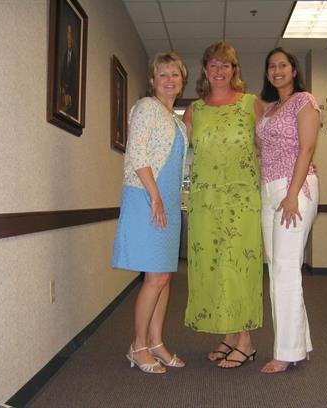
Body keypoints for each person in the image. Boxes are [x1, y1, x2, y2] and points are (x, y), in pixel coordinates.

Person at [183, 41, 264, 369]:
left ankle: (245, 340)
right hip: (205, 201)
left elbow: (268, 146)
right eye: (213, 65)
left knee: (238, 268)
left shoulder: (250, 105)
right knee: (213, 267)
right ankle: (229, 336)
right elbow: (177, 153)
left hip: (242, 201)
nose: (219, 71)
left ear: (234, 70)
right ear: (205, 70)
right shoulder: (194, 111)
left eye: (226, 65)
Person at [112, 52, 188, 374]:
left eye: (175, 74)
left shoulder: (177, 121)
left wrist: (173, 198)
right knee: (154, 277)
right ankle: (138, 345)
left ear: (182, 80)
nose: (169, 80)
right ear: (153, 80)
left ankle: (157, 342)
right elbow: (137, 154)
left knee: (165, 275)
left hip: (169, 202)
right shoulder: (146, 108)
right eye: (163, 74)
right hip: (147, 197)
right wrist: (155, 196)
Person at [256, 47, 320, 373]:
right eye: (272, 66)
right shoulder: (268, 108)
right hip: (269, 191)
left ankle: (287, 351)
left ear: (293, 70)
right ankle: (302, 342)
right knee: (280, 268)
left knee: (284, 270)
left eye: (283, 65)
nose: (277, 70)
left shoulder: (304, 101)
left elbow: (307, 148)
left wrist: (293, 194)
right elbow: (261, 150)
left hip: (294, 188)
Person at [60, 23, 78, 118]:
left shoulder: (75, 58)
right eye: (67, 33)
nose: (69, 37)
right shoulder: (64, 55)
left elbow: (75, 80)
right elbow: (63, 75)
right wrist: (63, 89)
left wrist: (69, 94)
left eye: (70, 34)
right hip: (65, 95)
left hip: (71, 98)